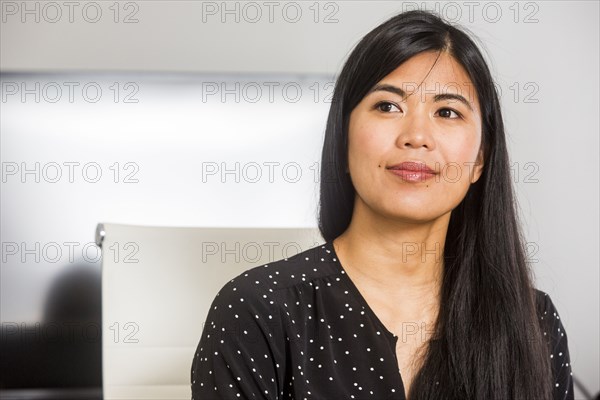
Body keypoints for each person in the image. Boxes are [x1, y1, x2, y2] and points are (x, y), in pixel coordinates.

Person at [191, 9, 574, 400]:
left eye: (447, 112)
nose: (417, 136)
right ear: (342, 139)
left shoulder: (534, 323)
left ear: (479, 160)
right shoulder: (258, 309)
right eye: (388, 106)